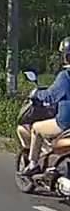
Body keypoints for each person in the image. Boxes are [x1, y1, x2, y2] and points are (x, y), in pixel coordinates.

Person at [23, 37, 70, 175]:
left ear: (66, 56)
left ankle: (33, 164)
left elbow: (51, 96)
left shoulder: (65, 76)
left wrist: (36, 94)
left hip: (65, 122)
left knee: (36, 128)